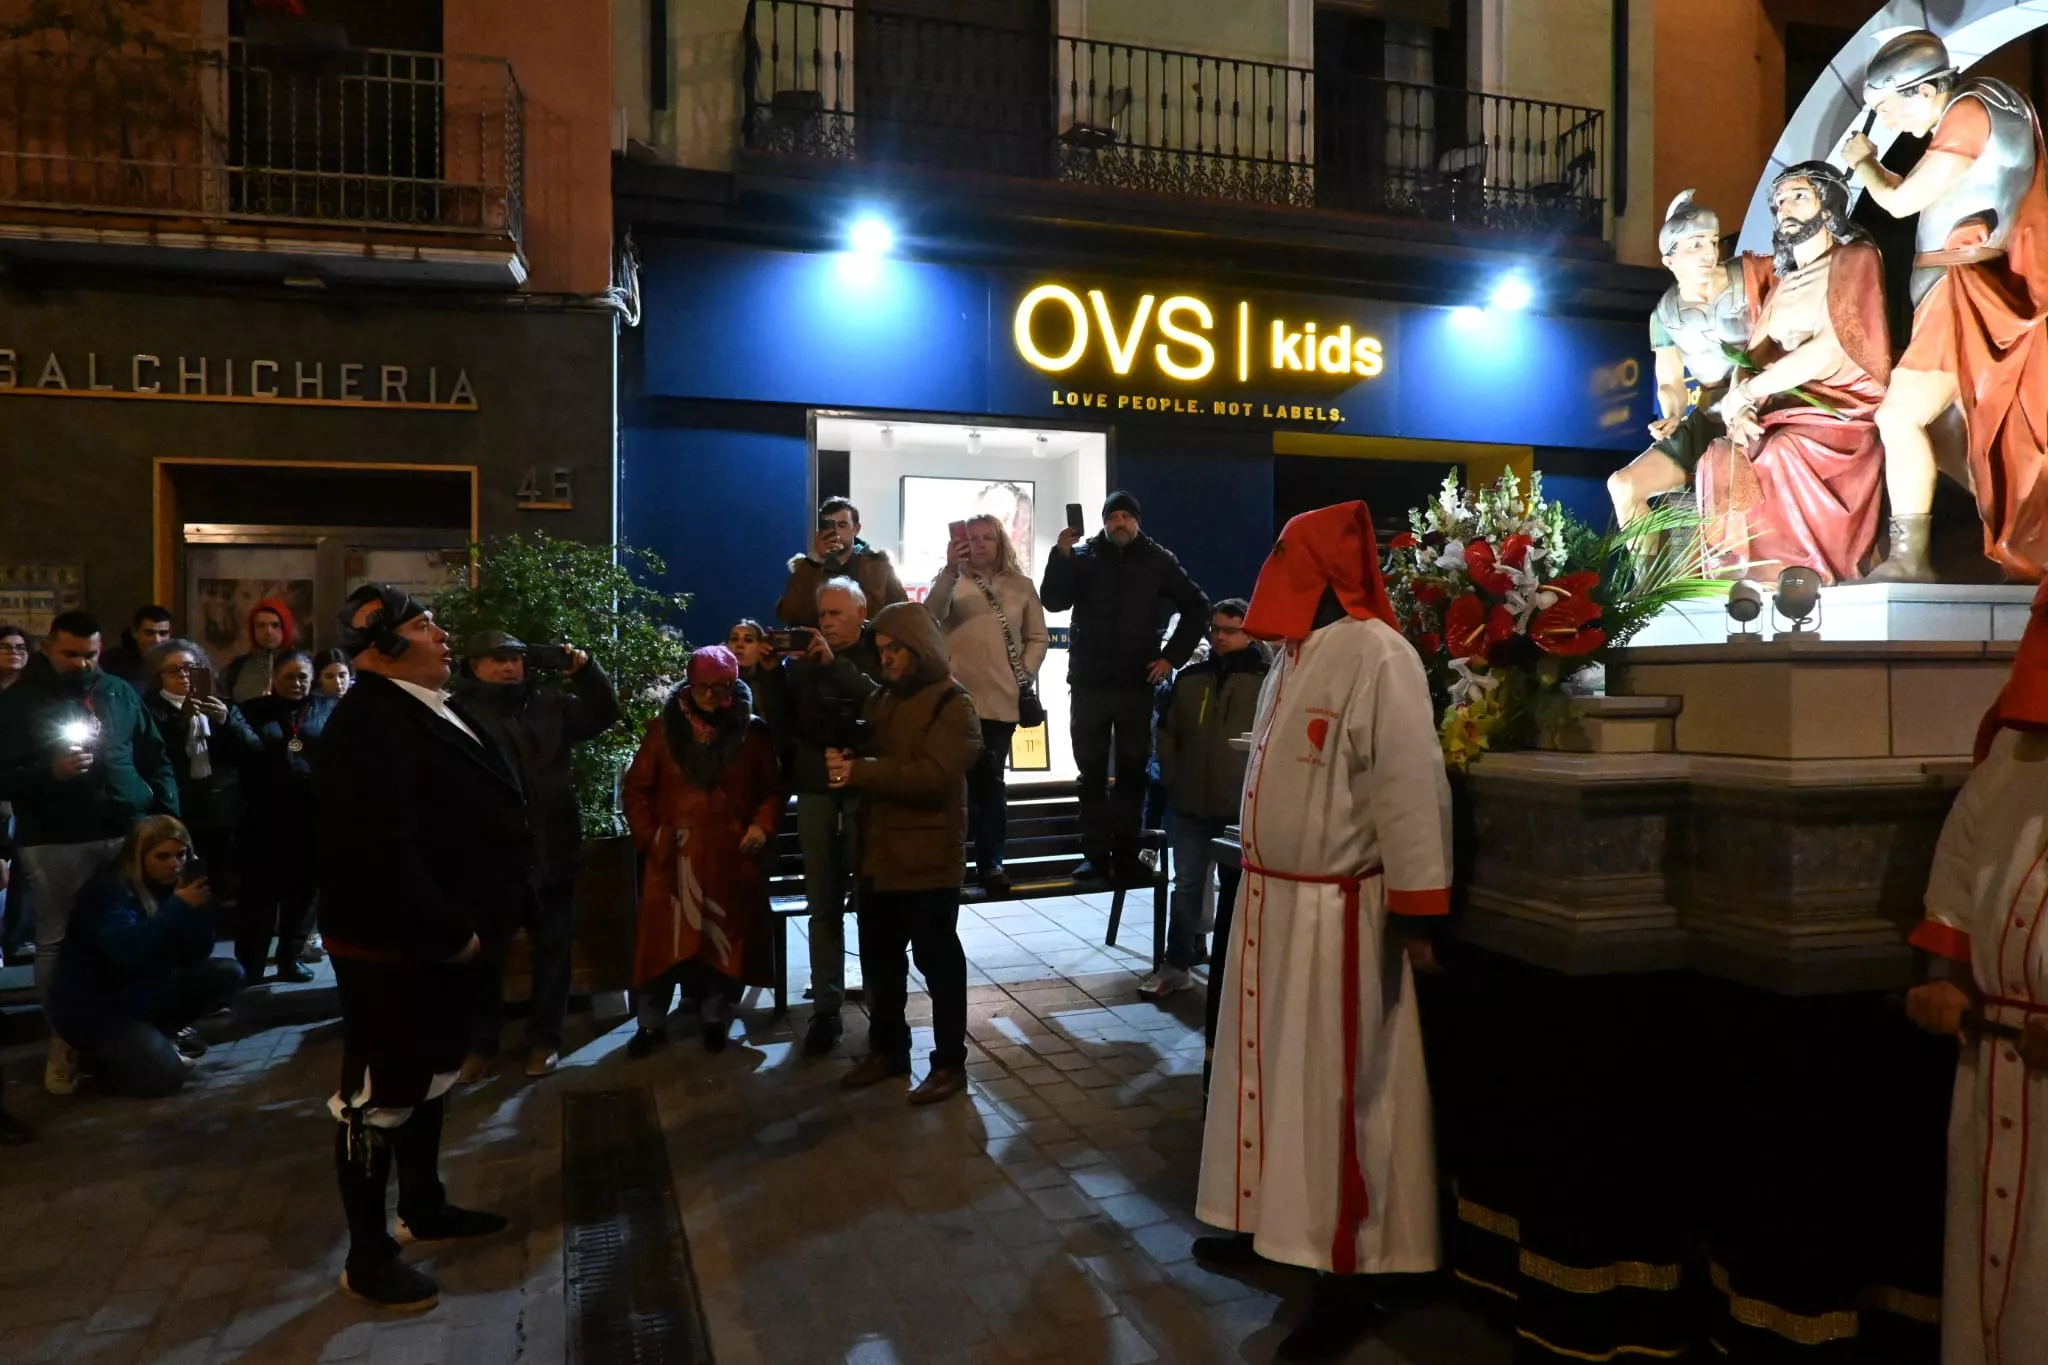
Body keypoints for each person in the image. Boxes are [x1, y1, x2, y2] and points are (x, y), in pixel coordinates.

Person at [1192, 502, 1451, 1364]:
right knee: (1269, 1078)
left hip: (1335, 915)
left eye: (1285, 555)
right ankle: (1269, 1224)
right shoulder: (1292, 656)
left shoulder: (1379, 653)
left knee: (1334, 1094)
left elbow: (1409, 785)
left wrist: (1419, 906)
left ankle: (1348, 1276)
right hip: (1274, 906)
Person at [317, 584, 525, 1312]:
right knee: (377, 1096)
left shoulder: (426, 705)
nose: (441, 634)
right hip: (397, 946)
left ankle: (424, 1205)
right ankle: (368, 1255)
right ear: (381, 645)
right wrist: (447, 930)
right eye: (424, 624)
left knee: (430, 1077)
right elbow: (379, 851)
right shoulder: (365, 726)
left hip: (448, 937)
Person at [1905, 576, 2048, 1363]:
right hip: (1992, 1065)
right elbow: (1960, 871)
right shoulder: (2013, 749)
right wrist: (1943, 974)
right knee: (1984, 1285)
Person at [1845, 28, 2048, 581]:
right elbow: (1925, 190)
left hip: (1963, 294)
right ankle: (2021, 532)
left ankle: (1910, 560)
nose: (1888, 122)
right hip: (1964, 287)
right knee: (1952, 434)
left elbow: (1901, 200)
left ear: (1923, 89)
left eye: (1889, 108)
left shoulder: (1968, 111)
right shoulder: (1991, 101)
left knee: (1899, 416)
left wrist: (1863, 162)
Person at [0, 610, 180, 1096]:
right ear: (47, 649)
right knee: (58, 937)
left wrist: (166, 812)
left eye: (91, 655)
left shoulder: (117, 692)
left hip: (124, 829)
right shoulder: (19, 702)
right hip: (56, 837)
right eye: (71, 654)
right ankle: (65, 1041)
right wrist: (50, 772)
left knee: (135, 925)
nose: (82, 664)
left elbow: (153, 753)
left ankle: (137, 1030)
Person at [1693, 162, 1891, 584]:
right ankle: (1741, 580)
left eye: (1799, 196)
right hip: (1784, 408)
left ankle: (1798, 572)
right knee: (1721, 457)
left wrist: (1749, 393)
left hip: (1840, 409)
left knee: (1783, 451)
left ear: (1828, 205)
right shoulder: (1785, 283)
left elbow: (1831, 350)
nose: (1785, 207)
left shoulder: (1853, 259)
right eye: (1779, 201)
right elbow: (1751, 357)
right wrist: (1740, 409)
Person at [830, 601, 982, 1105]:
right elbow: (878, 755)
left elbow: (934, 776)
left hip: (927, 857)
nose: (887, 658)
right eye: (881, 649)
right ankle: (889, 1050)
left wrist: (862, 771)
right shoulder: (883, 697)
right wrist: (851, 756)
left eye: (896, 649)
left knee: (938, 964)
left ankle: (949, 1063)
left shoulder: (953, 703)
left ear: (920, 648)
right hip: (878, 854)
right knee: (881, 962)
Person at [456, 629, 620, 1078]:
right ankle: (481, 1044)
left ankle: (544, 1040)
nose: (509, 666)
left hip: (553, 852)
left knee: (553, 951)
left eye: (515, 658)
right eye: (497, 659)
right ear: (475, 666)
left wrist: (586, 671)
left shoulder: (549, 705)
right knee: (487, 957)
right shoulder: (459, 713)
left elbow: (604, 713)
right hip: (493, 859)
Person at [1040, 490, 1208, 885]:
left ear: (1137, 521)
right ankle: (1095, 857)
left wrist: (1171, 658)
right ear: (1103, 521)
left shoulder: (1157, 559)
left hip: (1136, 683)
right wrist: (1060, 556)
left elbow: (1197, 607)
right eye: (1113, 516)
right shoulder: (1082, 557)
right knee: (1091, 774)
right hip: (1089, 682)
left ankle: (1127, 855)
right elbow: (1053, 601)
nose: (1120, 522)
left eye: (1126, 517)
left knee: (1133, 773)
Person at [622, 645, 781, 1056]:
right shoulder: (665, 731)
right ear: (689, 685)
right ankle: (651, 1023)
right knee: (661, 944)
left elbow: (772, 789)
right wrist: (652, 838)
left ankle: (715, 1016)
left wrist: (761, 826)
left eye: (719, 687)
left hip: (728, 853)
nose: (709, 695)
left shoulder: (751, 733)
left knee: (721, 939)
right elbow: (637, 790)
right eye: (701, 687)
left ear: (733, 685)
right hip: (671, 855)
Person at [47, 816, 243, 1098]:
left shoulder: (174, 887)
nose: (174, 864)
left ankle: (159, 1034)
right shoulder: (111, 890)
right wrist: (178, 909)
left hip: (143, 990)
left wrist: (200, 914)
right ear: (139, 857)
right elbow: (124, 949)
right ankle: (90, 1057)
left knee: (228, 973)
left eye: (180, 855)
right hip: (100, 1007)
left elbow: (195, 955)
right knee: (166, 1079)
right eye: (162, 856)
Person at [1607, 190, 1753, 527]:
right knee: (1624, 485)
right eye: (1695, 245)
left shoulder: (1746, 278)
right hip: (1710, 414)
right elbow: (1670, 380)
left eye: (1712, 242)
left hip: (1760, 403)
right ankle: (1648, 564)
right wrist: (1672, 415)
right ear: (1669, 259)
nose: (1709, 253)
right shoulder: (1665, 314)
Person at [786, 578, 885, 1056]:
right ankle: (826, 1009)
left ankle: (882, 1004)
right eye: (821, 614)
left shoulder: (882, 652)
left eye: (836, 613)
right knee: (822, 904)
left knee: (873, 903)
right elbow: (784, 727)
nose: (826, 622)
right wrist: (771, 675)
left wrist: (836, 666)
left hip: (865, 791)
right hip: (817, 790)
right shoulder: (803, 663)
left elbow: (883, 709)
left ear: (861, 613)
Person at [1148, 598, 1265, 999]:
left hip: (1239, 804)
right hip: (1191, 800)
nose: (1219, 637)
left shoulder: (1265, 679)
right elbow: (1167, 731)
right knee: (1187, 886)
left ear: (1249, 633)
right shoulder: (1192, 677)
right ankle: (1176, 965)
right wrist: (1174, 776)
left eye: (1230, 630)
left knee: (1237, 891)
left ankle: (1233, 971)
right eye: (1215, 629)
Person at [926, 513, 1048, 894]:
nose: (978, 544)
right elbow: (929, 617)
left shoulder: (1021, 586)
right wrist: (950, 569)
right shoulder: (950, 580)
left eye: (986, 538)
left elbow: (1038, 637)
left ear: (1001, 542)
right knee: (953, 784)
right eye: (972, 538)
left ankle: (991, 864)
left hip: (1001, 701)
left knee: (990, 784)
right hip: (954, 701)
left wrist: (1022, 675)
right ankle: (950, 863)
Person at [227, 650, 334, 985]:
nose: (297, 683)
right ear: (275, 678)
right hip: (264, 816)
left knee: (303, 894)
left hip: (310, 816)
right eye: (289, 676)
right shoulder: (251, 710)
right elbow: (242, 752)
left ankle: (290, 957)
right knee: (258, 896)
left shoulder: (328, 708)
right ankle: (251, 965)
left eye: (303, 677)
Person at [141, 638, 241, 915]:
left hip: (219, 810)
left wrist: (227, 722)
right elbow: (153, 756)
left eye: (190, 668)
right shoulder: (149, 710)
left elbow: (251, 749)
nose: (183, 675)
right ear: (159, 676)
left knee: (219, 883)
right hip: (177, 808)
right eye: (173, 670)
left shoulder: (221, 705)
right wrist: (182, 720)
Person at [777, 497, 908, 629]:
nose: (835, 532)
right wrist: (815, 559)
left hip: (869, 640)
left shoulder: (879, 567)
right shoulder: (810, 568)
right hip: (821, 639)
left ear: (856, 529)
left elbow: (903, 613)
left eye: (842, 525)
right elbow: (788, 615)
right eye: (828, 526)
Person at [0, 623, 29, 968]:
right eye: (6, 647)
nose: (14, 653)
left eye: (20, 647)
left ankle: (16, 939)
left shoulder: (33, 695)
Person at [727, 620, 792, 768]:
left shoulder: (776, 679)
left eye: (749, 640)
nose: (739, 645)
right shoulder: (715, 682)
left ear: (762, 647)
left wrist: (773, 673)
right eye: (734, 639)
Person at [219, 599, 296, 702]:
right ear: (253, 630)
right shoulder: (236, 668)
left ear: (285, 628)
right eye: (261, 625)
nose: (268, 631)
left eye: (275, 625)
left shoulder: (303, 666)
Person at [101, 606, 174, 690]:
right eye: (149, 633)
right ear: (135, 633)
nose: (157, 640)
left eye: (163, 633)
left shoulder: (177, 661)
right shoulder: (112, 662)